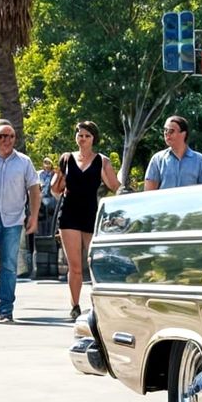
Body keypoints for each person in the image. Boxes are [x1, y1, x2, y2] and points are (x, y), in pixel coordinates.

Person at [0, 120, 41, 323]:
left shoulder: (24, 162)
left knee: (9, 266)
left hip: (13, 220)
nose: (6, 140)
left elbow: (34, 189)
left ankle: (5, 309)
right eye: (1, 136)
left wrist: (34, 216)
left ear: (15, 138)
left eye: (10, 136)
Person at [54, 121, 119, 320]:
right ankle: (75, 305)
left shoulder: (102, 161)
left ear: (93, 139)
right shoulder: (66, 159)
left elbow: (116, 187)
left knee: (94, 262)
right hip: (70, 214)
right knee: (74, 266)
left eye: (87, 136)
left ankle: (98, 305)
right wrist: (59, 180)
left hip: (92, 214)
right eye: (80, 135)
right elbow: (55, 190)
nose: (83, 139)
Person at [143, 115, 202, 190]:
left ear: (183, 134)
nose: (166, 134)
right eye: (165, 130)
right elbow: (149, 192)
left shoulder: (200, 160)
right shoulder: (157, 159)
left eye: (171, 131)